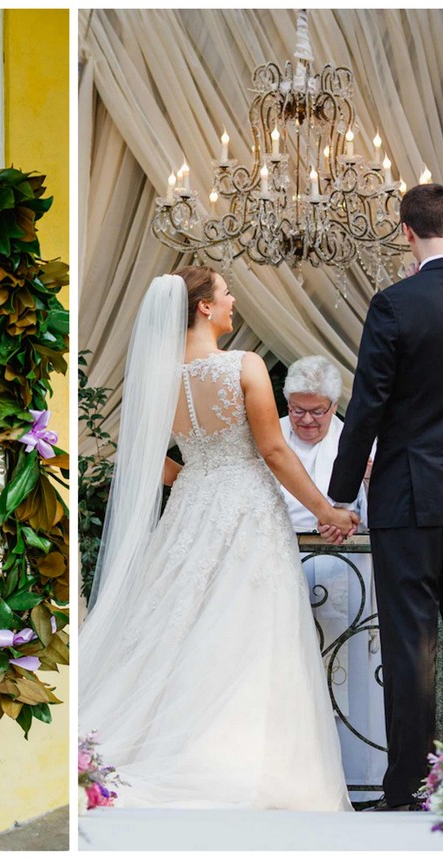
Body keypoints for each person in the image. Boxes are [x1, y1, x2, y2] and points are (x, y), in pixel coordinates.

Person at [79, 265, 358, 811]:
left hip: (190, 510)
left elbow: (138, 454)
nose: (234, 303)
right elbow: (275, 453)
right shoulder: (244, 366)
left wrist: (190, 477)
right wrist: (327, 508)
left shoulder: (155, 376)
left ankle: (170, 748)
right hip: (248, 510)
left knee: (181, 629)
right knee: (251, 630)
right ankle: (243, 771)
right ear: (204, 307)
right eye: (227, 294)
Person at [326, 183, 443, 811]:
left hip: (407, 496)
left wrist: (340, 496)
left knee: (411, 644)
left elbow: (368, 404)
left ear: (406, 233)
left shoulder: (395, 304)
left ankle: (410, 788)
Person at [276, 356, 386, 800]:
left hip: (344, 568)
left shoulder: (357, 441)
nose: (306, 420)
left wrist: (349, 516)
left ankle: (349, 778)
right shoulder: (271, 437)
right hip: (280, 559)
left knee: (342, 672)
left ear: (333, 405)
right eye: (298, 409)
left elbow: (369, 502)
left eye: (316, 411)